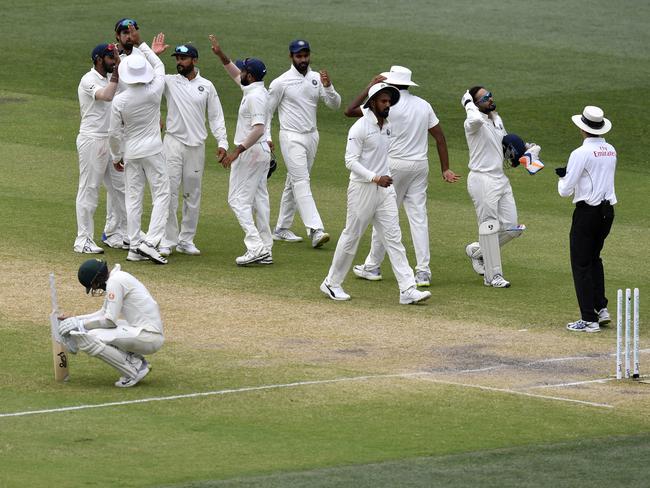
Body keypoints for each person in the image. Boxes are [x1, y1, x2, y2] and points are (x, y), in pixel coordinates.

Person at [344, 66, 460, 287]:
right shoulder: (424, 105)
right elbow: (440, 137)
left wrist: (369, 86)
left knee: (384, 215)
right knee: (418, 218)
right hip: (419, 166)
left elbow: (349, 111)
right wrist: (445, 168)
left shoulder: (387, 104)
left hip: (393, 166)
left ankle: (373, 266)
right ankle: (423, 271)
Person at [321, 83, 431, 305]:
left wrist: (384, 178)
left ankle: (407, 289)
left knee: (394, 238)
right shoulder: (359, 128)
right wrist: (375, 177)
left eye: (389, 101)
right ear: (372, 103)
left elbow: (382, 158)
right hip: (362, 189)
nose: (387, 104)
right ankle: (331, 283)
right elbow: (350, 161)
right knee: (352, 236)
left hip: (384, 191)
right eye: (383, 101)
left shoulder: (388, 126)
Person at [150, 39, 229, 257]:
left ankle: (186, 240)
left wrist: (222, 142)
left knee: (192, 194)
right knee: (169, 192)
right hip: (173, 143)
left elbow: (216, 117)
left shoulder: (207, 86)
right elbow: (146, 73)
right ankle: (167, 240)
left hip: (196, 147)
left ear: (194, 60)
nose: (180, 62)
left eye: (184, 58)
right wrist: (154, 54)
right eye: (177, 58)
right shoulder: (169, 81)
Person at [267, 39, 341, 248]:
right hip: (290, 137)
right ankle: (315, 230)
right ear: (291, 57)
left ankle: (281, 228)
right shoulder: (280, 82)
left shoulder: (317, 78)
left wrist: (328, 87)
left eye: (305, 55)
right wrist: (268, 139)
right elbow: (266, 113)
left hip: (312, 136)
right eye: (299, 56)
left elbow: (335, 105)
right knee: (302, 181)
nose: (303, 59)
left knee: (294, 181)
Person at [209, 35, 273, 265]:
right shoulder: (256, 89)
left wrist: (237, 151)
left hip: (251, 152)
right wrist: (220, 54)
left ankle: (255, 247)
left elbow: (258, 128)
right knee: (260, 200)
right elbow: (235, 73)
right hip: (261, 152)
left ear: (251, 75)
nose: (240, 73)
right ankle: (266, 249)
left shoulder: (255, 97)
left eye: (244, 70)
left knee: (237, 200)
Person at [108, 24, 170, 265]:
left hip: (131, 153)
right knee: (162, 194)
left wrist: (116, 157)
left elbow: (114, 133)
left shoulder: (120, 100)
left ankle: (134, 245)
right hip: (154, 150)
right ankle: (150, 242)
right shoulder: (154, 90)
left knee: (133, 199)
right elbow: (159, 66)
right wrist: (141, 42)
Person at [57, 259, 164, 387]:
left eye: (94, 285)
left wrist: (80, 325)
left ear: (97, 279)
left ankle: (134, 371)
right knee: (93, 330)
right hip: (144, 333)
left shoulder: (115, 282)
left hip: (149, 337)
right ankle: (137, 362)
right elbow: (103, 313)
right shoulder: (116, 278)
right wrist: (75, 319)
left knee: (91, 336)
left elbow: (109, 321)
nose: (95, 288)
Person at [461, 87, 528, 288]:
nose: (491, 99)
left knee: (512, 228)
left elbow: (505, 147)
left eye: (490, 95)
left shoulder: (497, 119)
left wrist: (527, 150)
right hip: (482, 179)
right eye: (485, 98)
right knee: (489, 226)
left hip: (500, 178)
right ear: (474, 103)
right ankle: (492, 276)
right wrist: (467, 104)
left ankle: (477, 251)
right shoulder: (472, 123)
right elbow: (475, 120)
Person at [557, 106, 616, 333]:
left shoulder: (579, 153)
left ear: (583, 128)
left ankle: (588, 319)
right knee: (594, 259)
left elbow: (565, 190)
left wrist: (563, 177)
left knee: (581, 264)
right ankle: (601, 309)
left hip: (587, 213)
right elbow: (596, 176)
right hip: (607, 212)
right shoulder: (610, 149)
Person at [73, 43, 122, 254]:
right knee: (89, 188)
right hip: (92, 140)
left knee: (121, 188)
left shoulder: (111, 76)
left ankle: (116, 235)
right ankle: (82, 240)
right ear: (99, 59)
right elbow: (106, 96)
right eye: (111, 57)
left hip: (111, 140)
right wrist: (118, 73)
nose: (115, 60)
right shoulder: (88, 79)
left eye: (115, 57)